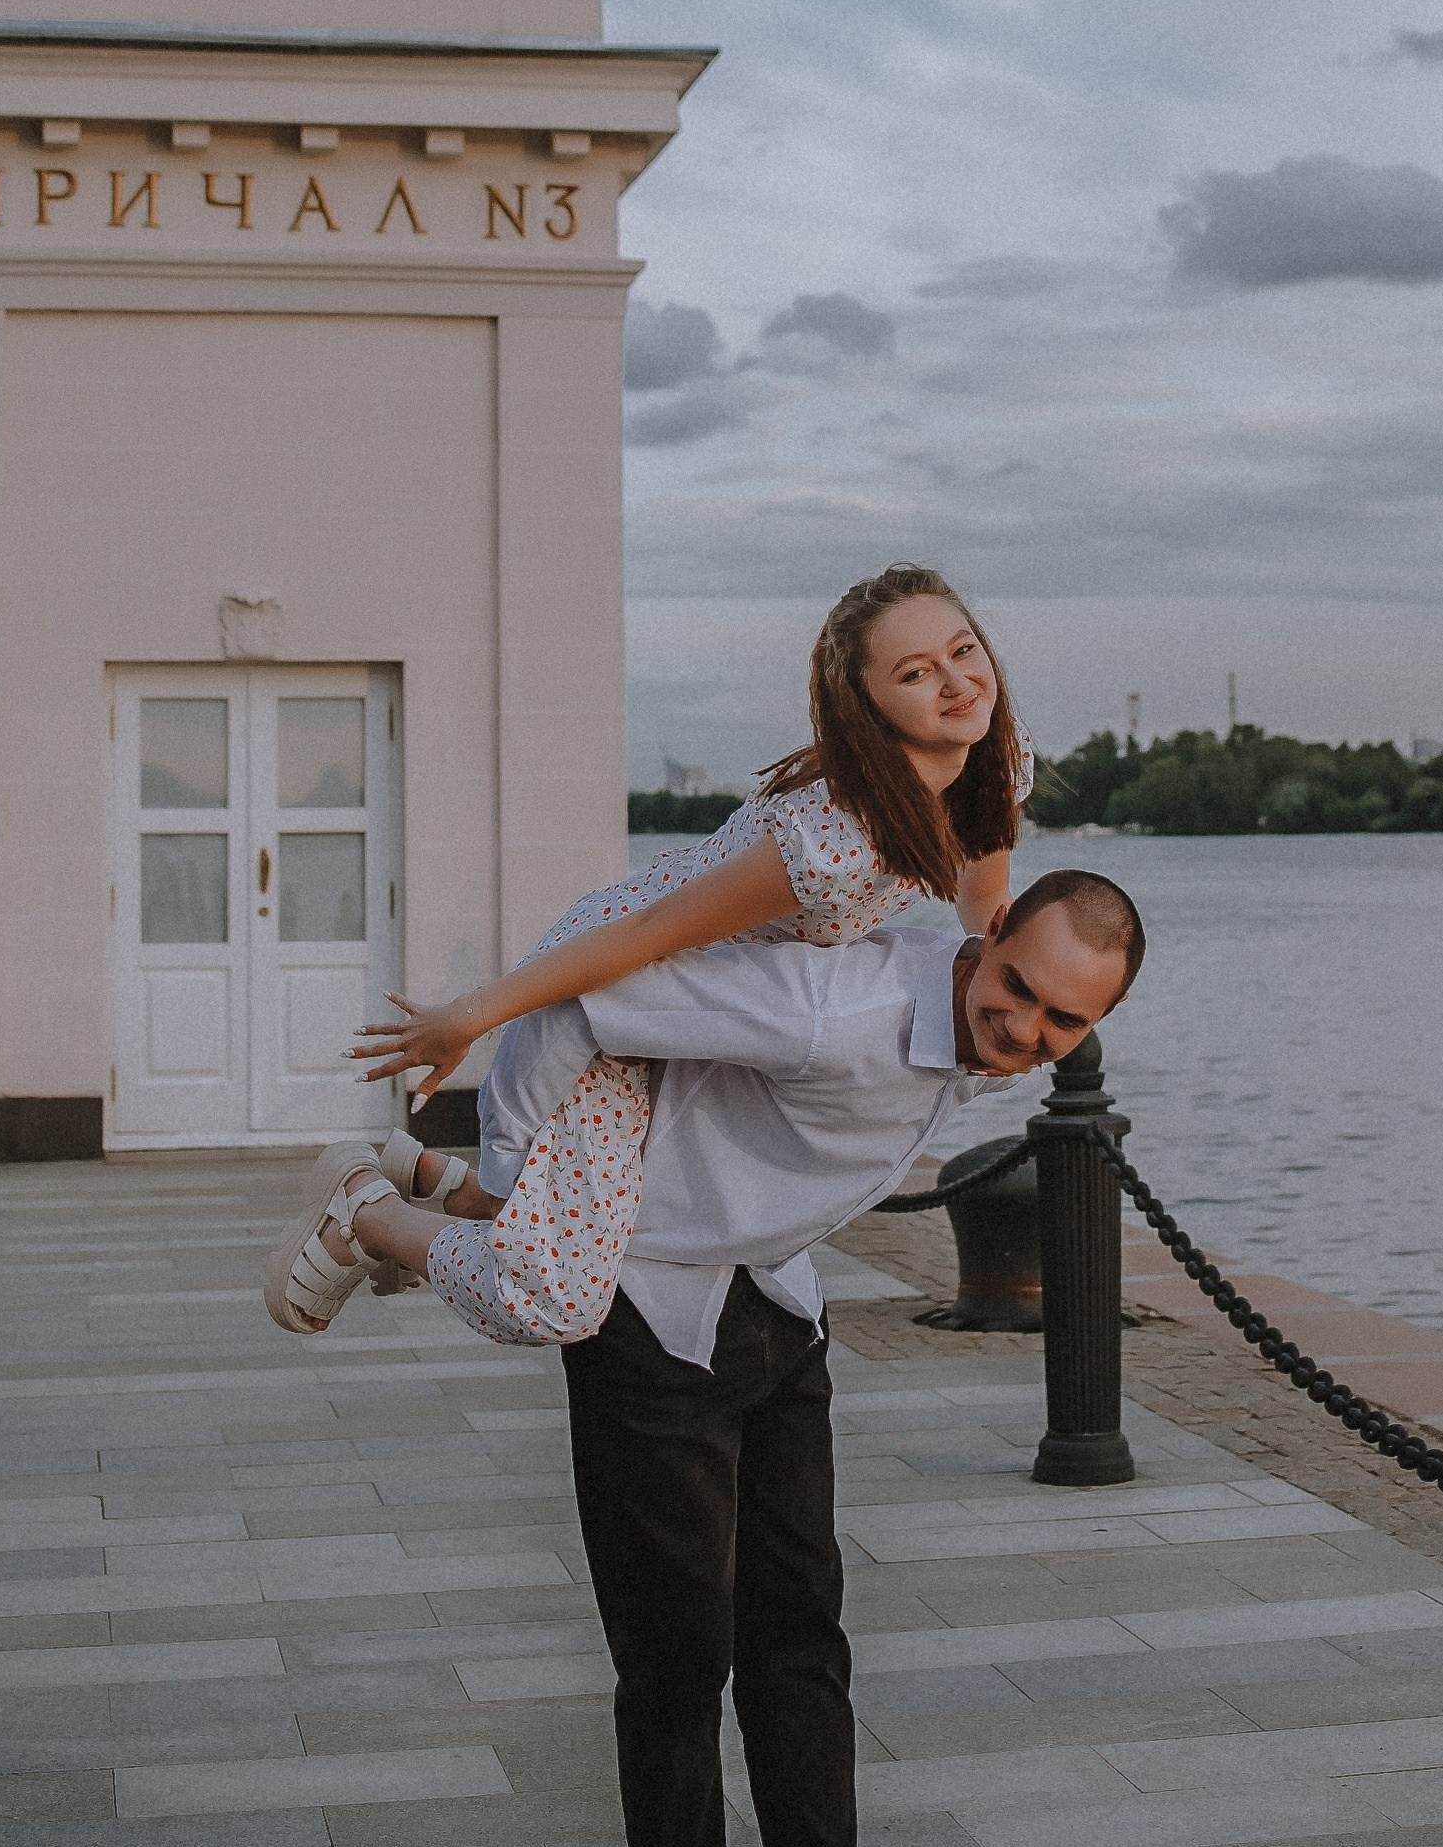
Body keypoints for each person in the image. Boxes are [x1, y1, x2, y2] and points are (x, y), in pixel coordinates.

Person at [264, 864, 1146, 1847]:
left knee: (801, 1638)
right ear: (984, 941)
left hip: (773, 1305)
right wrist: (516, 1182)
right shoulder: (827, 1007)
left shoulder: (955, 1022)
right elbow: (598, 990)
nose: (1027, 1033)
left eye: (1064, 1023)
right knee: (678, 1653)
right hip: (644, 1310)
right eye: (1019, 992)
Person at [273, 566, 1032, 1345]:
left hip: (718, 1009)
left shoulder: (996, 759)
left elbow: (983, 887)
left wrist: (1019, 977)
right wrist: (470, 1017)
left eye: (962, 649)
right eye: (915, 672)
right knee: (557, 1297)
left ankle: (452, 1185)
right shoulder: (835, 843)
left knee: (609, 1206)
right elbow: (641, 935)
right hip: (624, 994)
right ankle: (371, 1213)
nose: (956, 682)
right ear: (867, 703)